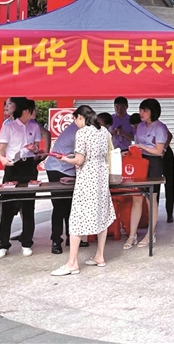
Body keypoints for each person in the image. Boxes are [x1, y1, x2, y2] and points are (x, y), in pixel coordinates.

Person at [51, 105, 116, 276]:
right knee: (102, 215)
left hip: (87, 179)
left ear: (80, 117)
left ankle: (72, 263)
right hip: (101, 178)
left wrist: (65, 159)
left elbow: (79, 160)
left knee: (76, 219)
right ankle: (100, 256)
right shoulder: (104, 131)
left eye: (75, 119)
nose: (75, 123)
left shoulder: (82, 133)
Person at [0, 97, 41, 258]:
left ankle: (27, 243)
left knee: (28, 206)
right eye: (32, 110)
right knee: (8, 206)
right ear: (26, 111)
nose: (34, 112)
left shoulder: (34, 126)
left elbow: (37, 148)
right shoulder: (8, 127)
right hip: (13, 167)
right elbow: (1, 151)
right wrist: (3, 160)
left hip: (29, 166)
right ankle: (3, 244)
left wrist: (34, 148)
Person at [124, 98, 166, 249]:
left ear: (153, 112)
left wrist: (143, 147)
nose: (141, 113)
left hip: (154, 163)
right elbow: (136, 144)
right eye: (140, 110)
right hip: (140, 162)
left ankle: (150, 234)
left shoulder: (160, 127)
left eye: (145, 110)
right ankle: (132, 235)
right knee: (136, 198)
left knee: (150, 199)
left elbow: (159, 151)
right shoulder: (140, 126)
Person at [45, 119, 78, 255]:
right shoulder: (77, 131)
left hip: (68, 169)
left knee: (71, 206)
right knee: (59, 206)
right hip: (57, 168)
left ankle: (72, 238)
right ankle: (56, 240)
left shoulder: (79, 129)